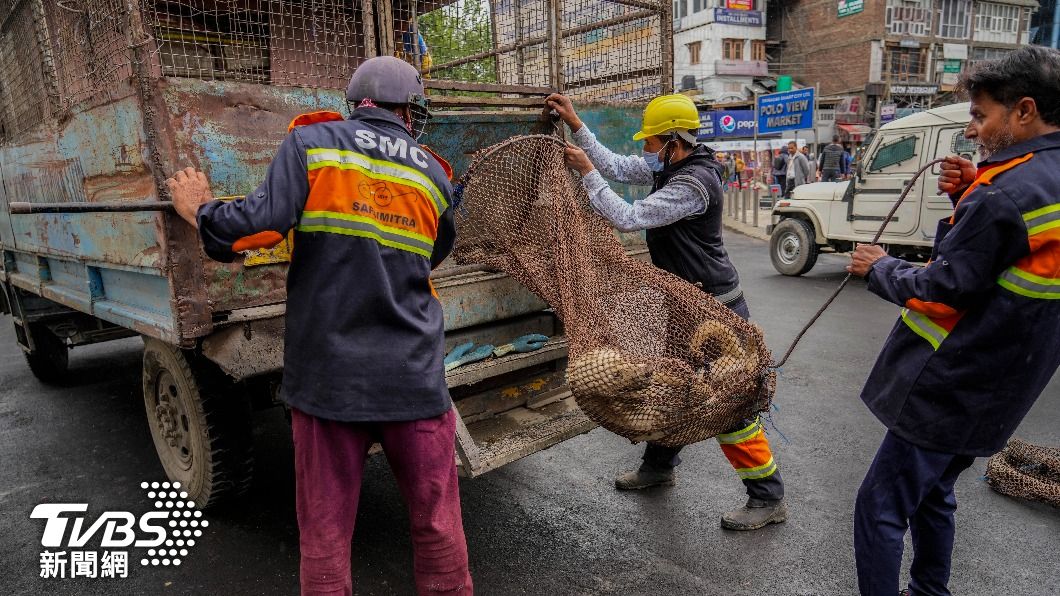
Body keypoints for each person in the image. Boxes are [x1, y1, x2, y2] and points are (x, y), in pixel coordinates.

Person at [165, 56, 472, 596]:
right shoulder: (434, 176)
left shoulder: (314, 145)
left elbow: (257, 228)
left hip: (329, 383)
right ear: (409, 111)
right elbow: (432, 255)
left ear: (355, 104)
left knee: (326, 538)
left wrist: (200, 209)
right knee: (438, 529)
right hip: (415, 382)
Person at [845, 45, 1060, 596]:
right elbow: (1010, 256)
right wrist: (970, 191)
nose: (972, 130)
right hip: (1007, 383)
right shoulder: (1033, 181)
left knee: (880, 506)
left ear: (1024, 111)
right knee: (935, 492)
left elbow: (947, 285)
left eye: (981, 115)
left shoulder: (1004, 195)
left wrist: (881, 266)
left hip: (954, 380)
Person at [545, 92, 787, 531]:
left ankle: (767, 497)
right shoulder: (669, 165)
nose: (645, 151)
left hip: (715, 310)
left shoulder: (693, 185)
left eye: (651, 143)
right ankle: (658, 467)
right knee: (672, 386)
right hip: (684, 304)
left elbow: (628, 216)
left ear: (673, 143)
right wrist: (577, 124)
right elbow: (617, 166)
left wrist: (585, 174)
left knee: (730, 406)